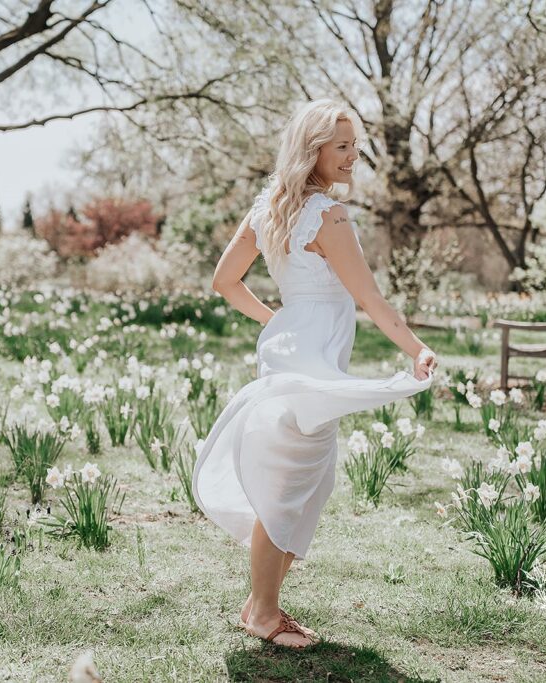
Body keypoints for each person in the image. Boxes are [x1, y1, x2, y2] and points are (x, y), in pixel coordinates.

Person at [191, 99, 438, 649]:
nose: (354, 157)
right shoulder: (328, 214)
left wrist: (275, 318)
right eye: (342, 147)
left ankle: (261, 603)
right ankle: (263, 613)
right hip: (307, 366)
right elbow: (369, 297)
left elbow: (226, 282)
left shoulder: (270, 208)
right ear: (314, 152)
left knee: (303, 481)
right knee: (289, 487)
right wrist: (416, 348)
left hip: (289, 355)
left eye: (355, 146)